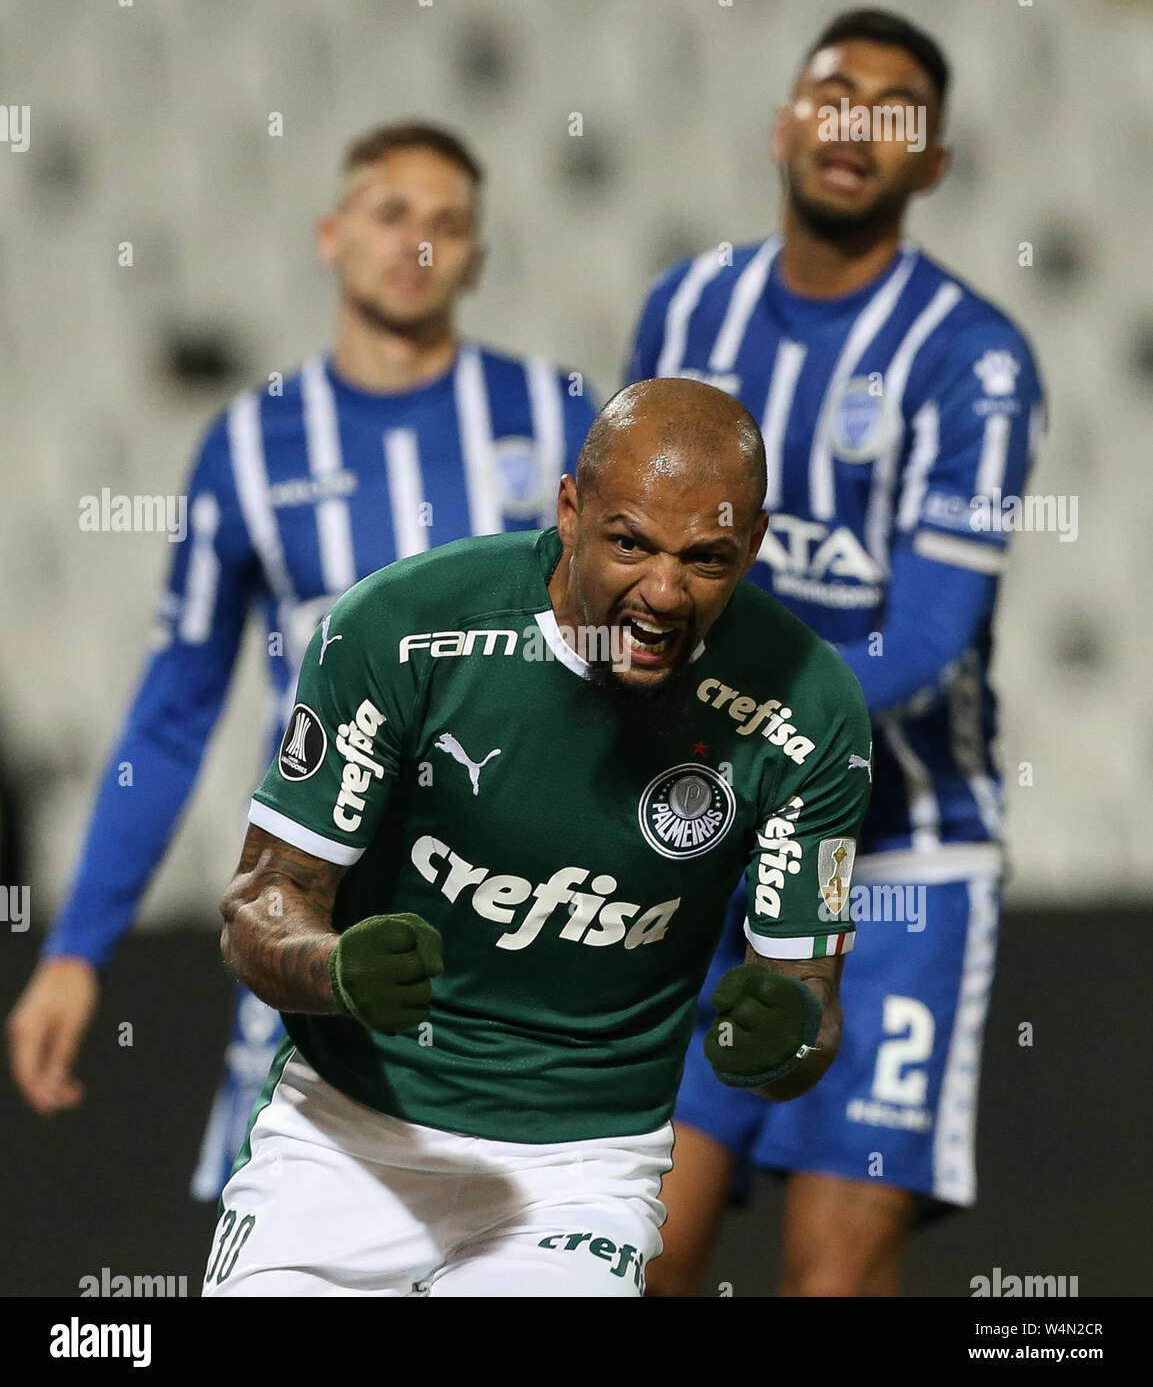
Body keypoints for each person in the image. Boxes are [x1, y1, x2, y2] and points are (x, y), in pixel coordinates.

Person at [6, 121, 596, 1201]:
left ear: (476, 256)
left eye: (448, 223)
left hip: (524, 931)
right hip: (307, 921)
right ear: (331, 235)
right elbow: (174, 713)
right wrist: (78, 951)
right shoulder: (248, 444)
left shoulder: (560, 422)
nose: (417, 243)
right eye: (391, 214)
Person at [202, 377, 872, 1297]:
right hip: (347, 1137)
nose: (663, 593)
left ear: (754, 545)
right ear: (569, 509)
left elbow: (810, 1004)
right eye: (629, 544)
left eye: (707, 559)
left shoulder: (812, 711)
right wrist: (335, 969)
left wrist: (790, 1038)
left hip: (580, 1173)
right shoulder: (399, 629)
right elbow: (259, 905)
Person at [627, 9, 1044, 1296]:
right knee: (639, 1248)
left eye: (896, 108)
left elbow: (920, 641)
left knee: (832, 1269)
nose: (857, 122)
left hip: (900, 868)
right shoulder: (688, 306)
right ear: (784, 124)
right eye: (834, 92)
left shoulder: (971, 363)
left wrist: (708, 699)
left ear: (933, 163)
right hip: (702, 849)